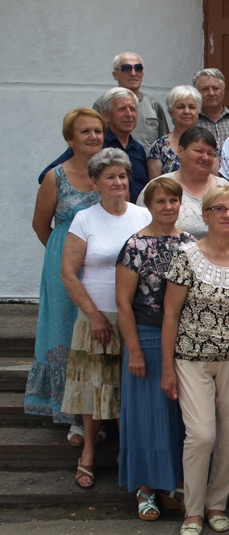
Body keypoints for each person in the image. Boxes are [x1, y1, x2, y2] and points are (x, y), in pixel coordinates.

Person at [161, 184, 229, 535]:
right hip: (192, 358)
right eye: (218, 208)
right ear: (205, 215)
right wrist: (167, 368)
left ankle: (217, 505)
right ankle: (193, 509)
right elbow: (170, 315)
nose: (227, 215)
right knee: (202, 434)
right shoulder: (186, 256)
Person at [59, 148, 153, 489]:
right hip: (96, 319)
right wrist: (95, 317)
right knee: (93, 387)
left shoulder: (143, 216)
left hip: (135, 318)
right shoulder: (84, 219)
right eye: (110, 176)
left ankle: (127, 451)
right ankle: (88, 451)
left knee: (129, 388)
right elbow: (69, 273)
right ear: (95, 182)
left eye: (123, 176)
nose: (118, 182)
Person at [116, 177, 195, 521]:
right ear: (149, 205)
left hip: (184, 341)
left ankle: (173, 485)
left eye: (173, 200)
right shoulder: (135, 245)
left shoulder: (190, 244)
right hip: (146, 339)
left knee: (177, 417)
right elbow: (123, 303)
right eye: (160, 201)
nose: (168, 206)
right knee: (146, 415)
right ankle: (146, 488)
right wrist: (134, 351)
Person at [25, 108, 104, 443]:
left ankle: (95, 410)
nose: (93, 137)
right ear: (70, 138)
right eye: (85, 131)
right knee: (64, 331)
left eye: (98, 131)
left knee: (94, 333)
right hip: (64, 266)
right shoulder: (54, 177)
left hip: (100, 265)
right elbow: (40, 225)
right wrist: (63, 254)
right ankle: (69, 411)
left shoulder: (110, 173)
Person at [38, 88, 148, 202]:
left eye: (132, 109)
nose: (129, 114)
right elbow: (51, 176)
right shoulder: (93, 145)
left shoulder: (138, 149)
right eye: (122, 109)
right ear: (107, 115)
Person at [138, 127, 229, 240]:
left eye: (210, 153)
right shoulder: (158, 187)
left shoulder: (225, 187)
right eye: (199, 151)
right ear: (181, 151)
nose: (205, 157)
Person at [105, 52, 169, 149]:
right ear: (115, 75)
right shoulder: (104, 103)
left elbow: (164, 142)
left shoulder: (153, 104)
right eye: (126, 68)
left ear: (142, 74)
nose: (133, 73)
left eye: (138, 68)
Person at [147, 85, 205, 180]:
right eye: (181, 107)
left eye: (192, 107)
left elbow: (216, 183)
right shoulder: (159, 147)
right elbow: (154, 184)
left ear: (198, 111)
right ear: (170, 111)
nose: (187, 111)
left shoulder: (210, 145)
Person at [194, 68, 229, 149]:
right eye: (205, 89)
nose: (211, 93)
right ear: (196, 93)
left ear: (223, 91)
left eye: (215, 88)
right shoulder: (191, 123)